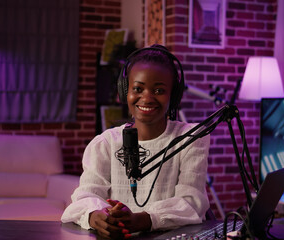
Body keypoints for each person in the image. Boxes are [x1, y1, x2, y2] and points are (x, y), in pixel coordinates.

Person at [61, 44, 210, 239]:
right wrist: (96, 216)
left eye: (158, 90)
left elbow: (191, 202)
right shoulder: (106, 143)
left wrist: (142, 220)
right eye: (138, 88)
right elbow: (85, 196)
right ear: (125, 92)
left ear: (173, 96)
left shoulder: (189, 139)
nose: (147, 98)